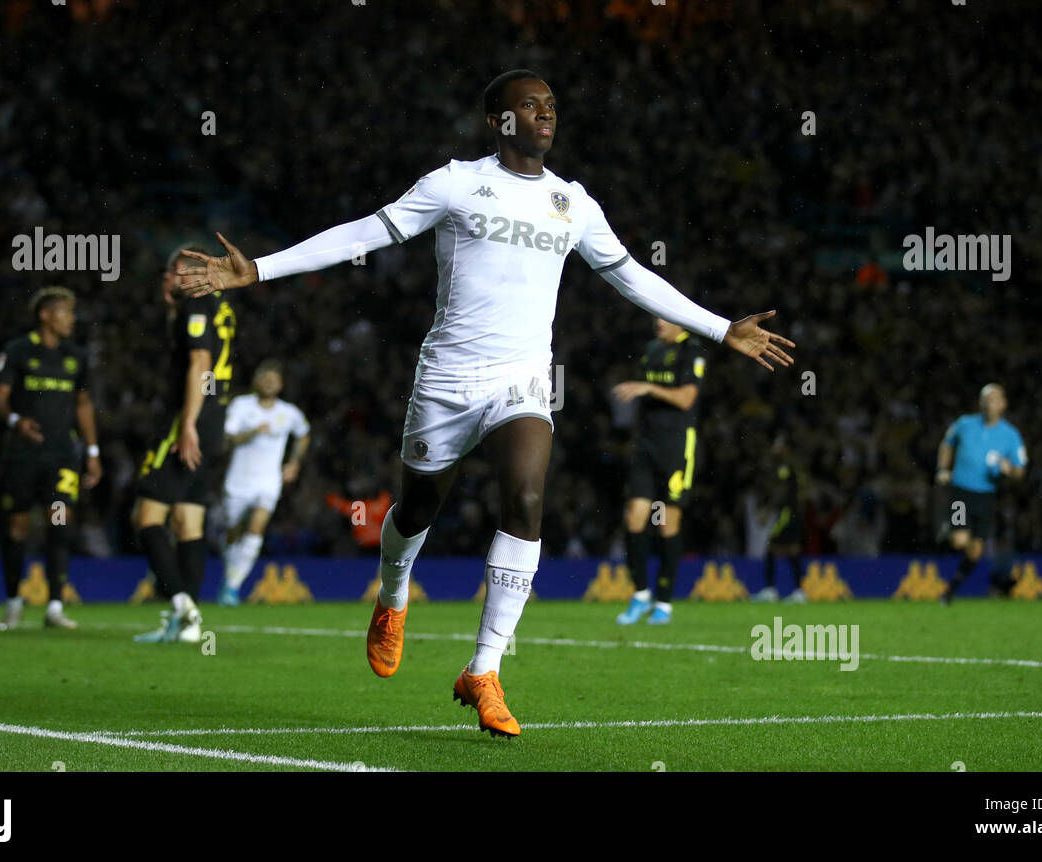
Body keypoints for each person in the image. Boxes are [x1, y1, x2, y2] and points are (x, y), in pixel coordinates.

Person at [177, 70, 795, 735]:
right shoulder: (453, 183)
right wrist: (259, 269)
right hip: (445, 381)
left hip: (521, 382)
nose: (545, 114)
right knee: (415, 510)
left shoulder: (573, 204)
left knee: (528, 500)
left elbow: (633, 279)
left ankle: (485, 669)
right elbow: (365, 233)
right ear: (498, 120)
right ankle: (392, 597)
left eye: (552, 105)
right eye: (529, 105)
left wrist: (720, 326)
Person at [132, 244, 236, 642]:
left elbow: (199, 363)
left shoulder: (195, 306)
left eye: (175, 271)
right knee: (189, 521)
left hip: (188, 421)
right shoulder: (221, 306)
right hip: (215, 417)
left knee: (148, 517)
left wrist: (187, 423)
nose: (167, 278)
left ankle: (181, 605)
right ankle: (188, 623)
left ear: (194, 276)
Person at [0, 286, 101, 631]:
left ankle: (54, 605)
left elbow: (83, 404)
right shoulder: (18, 351)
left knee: (59, 522)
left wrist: (93, 451)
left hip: (62, 455)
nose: (71, 320)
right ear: (45, 315)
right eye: (65, 313)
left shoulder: (76, 356)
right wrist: (15, 421)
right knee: (18, 525)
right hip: (23, 454)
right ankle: (12, 601)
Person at [613, 317, 707, 625]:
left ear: (680, 321)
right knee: (635, 517)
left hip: (677, 447)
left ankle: (664, 602)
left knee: (667, 523)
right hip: (646, 445)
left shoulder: (692, 351)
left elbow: (687, 398)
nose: (657, 321)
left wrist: (649, 388)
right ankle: (641, 594)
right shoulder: (651, 350)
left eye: (663, 316)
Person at [217, 360, 310, 605]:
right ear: (256, 381)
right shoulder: (241, 405)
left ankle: (232, 587)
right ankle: (229, 577)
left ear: (280, 385)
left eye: (273, 379)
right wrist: (253, 432)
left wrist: (294, 463)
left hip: (268, 482)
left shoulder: (288, 412)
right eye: (264, 378)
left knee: (256, 527)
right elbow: (229, 437)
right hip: (238, 481)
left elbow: (303, 435)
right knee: (233, 532)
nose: (269, 382)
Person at [936, 383, 1027, 605]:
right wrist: (943, 469)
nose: (989, 403)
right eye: (986, 398)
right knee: (960, 542)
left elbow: (1020, 470)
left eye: (994, 399)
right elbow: (947, 444)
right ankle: (949, 530)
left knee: (975, 552)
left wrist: (1009, 469)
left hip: (986, 496)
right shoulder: (964, 424)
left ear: (1003, 404)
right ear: (980, 403)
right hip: (962, 492)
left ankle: (949, 593)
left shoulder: (1010, 435)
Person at [753, 435, 807, 602]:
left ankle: (771, 590)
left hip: (787, 512)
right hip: (794, 511)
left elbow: (782, 490)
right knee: (791, 549)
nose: (774, 448)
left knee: (773, 547)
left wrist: (768, 511)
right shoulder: (792, 466)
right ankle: (798, 591)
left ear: (786, 449)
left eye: (778, 445)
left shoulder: (784, 467)